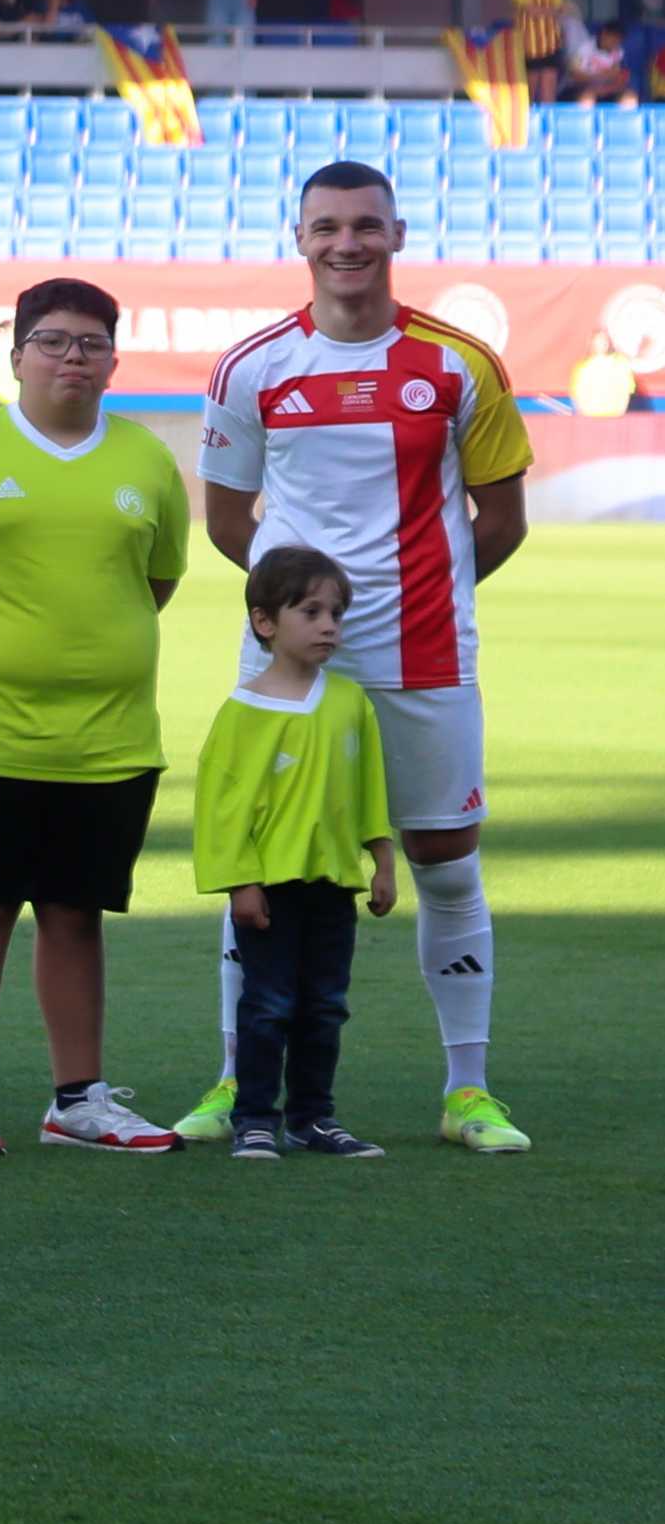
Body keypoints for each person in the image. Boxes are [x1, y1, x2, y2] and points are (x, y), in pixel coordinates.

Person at [178, 160, 532, 1155]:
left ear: (398, 234)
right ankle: (235, 1080)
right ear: (301, 239)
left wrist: (432, 594)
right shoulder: (252, 369)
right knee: (260, 863)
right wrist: (295, 623)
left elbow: (499, 521)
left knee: (444, 863)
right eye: (327, 226)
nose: (347, 243)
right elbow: (225, 521)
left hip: (425, 650)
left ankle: (468, 1090)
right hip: (287, 671)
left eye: (366, 225)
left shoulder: (461, 363)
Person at [0, 277, 189, 1157]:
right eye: (52, 341)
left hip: (112, 737)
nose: (72, 358)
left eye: (91, 343)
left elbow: (155, 580)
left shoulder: (144, 459)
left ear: (113, 359)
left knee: (75, 910)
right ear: (15, 354)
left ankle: (77, 1099)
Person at [199, 548, 402, 1162]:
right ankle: (255, 1117)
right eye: (310, 611)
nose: (329, 625)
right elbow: (222, 809)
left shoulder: (348, 703)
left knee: (325, 1008)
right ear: (265, 622)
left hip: (334, 886)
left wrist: (382, 859)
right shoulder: (241, 714)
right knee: (267, 1007)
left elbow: (369, 788)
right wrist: (240, 882)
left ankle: (312, 1118)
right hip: (271, 891)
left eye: (336, 612)